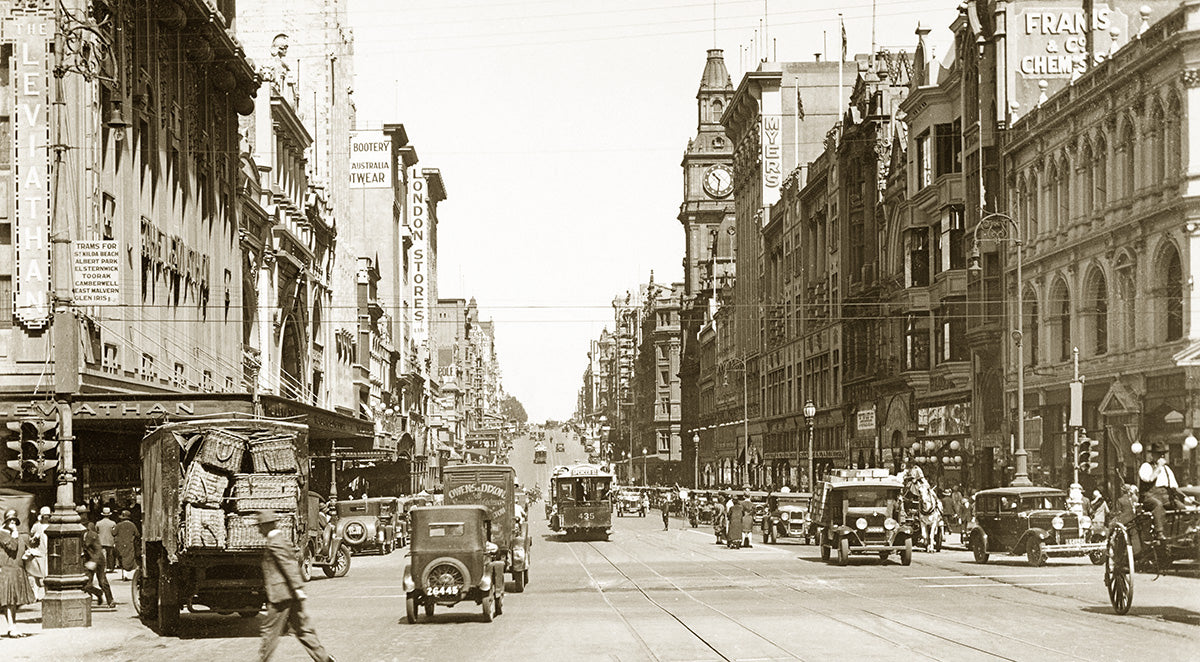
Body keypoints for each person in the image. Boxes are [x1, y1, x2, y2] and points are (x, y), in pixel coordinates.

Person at [255, 510, 335, 662]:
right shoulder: (280, 539)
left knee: (270, 632)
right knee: (303, 630)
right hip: (290, 594)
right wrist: (297, 590)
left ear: (267, 526)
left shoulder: (275, 543)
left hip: (281, 596)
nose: (259, 529)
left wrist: (298, 587)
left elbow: (288, 565)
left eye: (260, 526)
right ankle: (324, 659)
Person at [1137, 443, 1195, 538]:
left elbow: (1174, 487)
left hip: (1165, 496)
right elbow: (1149, 479)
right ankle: (1159, 532)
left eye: (1163, 454)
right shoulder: (1146, 466)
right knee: (1158, 505)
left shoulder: (1167, 469)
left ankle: (1183, 532)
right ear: (1152, 455)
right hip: (1149, 496)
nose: (1162, 456)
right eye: (1159, 454)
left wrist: (1187, 498)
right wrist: (1159, 467)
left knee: (1181, 507)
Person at [1, 509, 36, 637]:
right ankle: (11, 627)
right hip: (7, 570)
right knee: (9, 601)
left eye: (14, 520)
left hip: (17, 569)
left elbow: (21, 549)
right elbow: (12, 547)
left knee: (14, 601)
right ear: (5, 522)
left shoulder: (17, 535)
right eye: (9, 520)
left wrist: (28, 553)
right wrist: (15, 533)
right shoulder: (2, 534)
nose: (12, 523)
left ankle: (12, 626)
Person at [80, 510, 115, 608]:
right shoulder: (81, 536)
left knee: (102, 581)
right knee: (86, 583)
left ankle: (110, 600)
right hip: (88, 560)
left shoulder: (92, 535)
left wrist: (94, 562)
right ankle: (98, 594)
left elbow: (98, 550)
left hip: (98, 560)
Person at [26, 507, 50, 600]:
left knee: (46, 575)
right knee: (38, 575)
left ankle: (47, 594)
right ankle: (36, 595)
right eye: (45, 516)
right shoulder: (37, 526)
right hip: (39, 553)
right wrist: (35, 538)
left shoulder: (52, 525)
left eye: (48, 516)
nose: (47, 518)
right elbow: (30, 540)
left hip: (48, 553)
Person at [113, 510, 140, 581]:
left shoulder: (118, 525)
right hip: (129, 544)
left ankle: (124, 574)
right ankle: (129, 574)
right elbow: (137, 534)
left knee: (122, 558)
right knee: (129, 558)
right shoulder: (132, 525)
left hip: (120, 544)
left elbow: (113, 533)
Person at [96, 507, 117, 577]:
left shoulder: (98, 523)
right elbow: (114, 532)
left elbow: (97, 531)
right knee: (110, 555)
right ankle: (110, 567)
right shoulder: (113, 523)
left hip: (101, 541)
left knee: (103, 555)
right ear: (109, 515)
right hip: (110, 541)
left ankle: (104, 568)